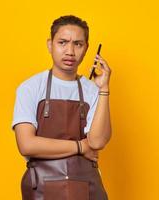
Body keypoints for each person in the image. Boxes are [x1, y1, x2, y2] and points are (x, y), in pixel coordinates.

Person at [11, 15, 112, 200]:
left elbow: (97, 142)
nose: (70, 51)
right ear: (50, 45)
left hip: (86, 187)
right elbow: (26, 144)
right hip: (40, 187)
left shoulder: (92, 91)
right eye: (63, 42)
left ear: (87, 48)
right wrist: (80, 146)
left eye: (78, 44)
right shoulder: (31, 87)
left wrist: (104, 89)